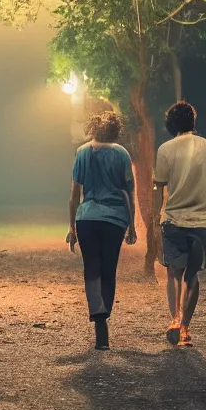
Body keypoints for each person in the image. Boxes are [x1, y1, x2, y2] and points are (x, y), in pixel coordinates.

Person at [153, 101, 206, 347]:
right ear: (193, 121)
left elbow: (159, 187)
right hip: (201, 221)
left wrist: (155, 219)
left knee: (174, 273)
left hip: (173, 220)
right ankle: (185, 328)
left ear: (171, 124)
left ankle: (174, 319)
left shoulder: (165, 149)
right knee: (192, 276)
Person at [67, 111, 137, 351]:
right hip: (114, 219)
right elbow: (130, 191)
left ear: (93, 129)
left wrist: (71, 228)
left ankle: (98, 318)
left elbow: (74, 195)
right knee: (109, 269)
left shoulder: (82, 152)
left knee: (92, 269)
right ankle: (104, 314)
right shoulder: (121, 154)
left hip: (86, 218)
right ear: (116, 130)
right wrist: (133, 225)